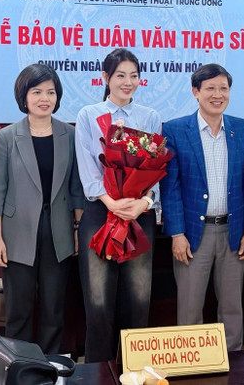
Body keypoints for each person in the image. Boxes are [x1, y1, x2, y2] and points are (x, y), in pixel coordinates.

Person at [161, 64, 244, 352]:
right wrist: (177, 234)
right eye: (210, 89)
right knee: (189, 307)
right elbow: (171, 187)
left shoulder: (243, 129)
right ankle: (190, 366)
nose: (218, 95)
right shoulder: (175, 129)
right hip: (193, 234)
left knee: (231, 307)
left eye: (223, 89)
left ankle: (234, 364)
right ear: (196, 92)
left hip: (233, 232)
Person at [0, 64, 84, 352]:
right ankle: (18, 366)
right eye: (37, 92)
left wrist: (77, 230)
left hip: (59, 233)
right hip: (16, 235)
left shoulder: (69, 134)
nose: (45, 98)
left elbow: (76, 188)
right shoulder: (7, 137)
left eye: (51, 92)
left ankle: (49, 366)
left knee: (54, 310)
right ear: (24, 96)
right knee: (18, 311)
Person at [75, 49, 162, 362]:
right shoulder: (89, 115)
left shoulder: (150, 117)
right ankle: (97, 373)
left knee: (138, 300)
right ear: (106, 78)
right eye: (120, 75)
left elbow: (156, 169)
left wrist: (143, 203)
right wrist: (112, 202)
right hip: (101, 213)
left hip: (139, 215)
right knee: (98, 303)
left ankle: (134, 372)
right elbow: (88, 169)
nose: (128, 82)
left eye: (133, 76)